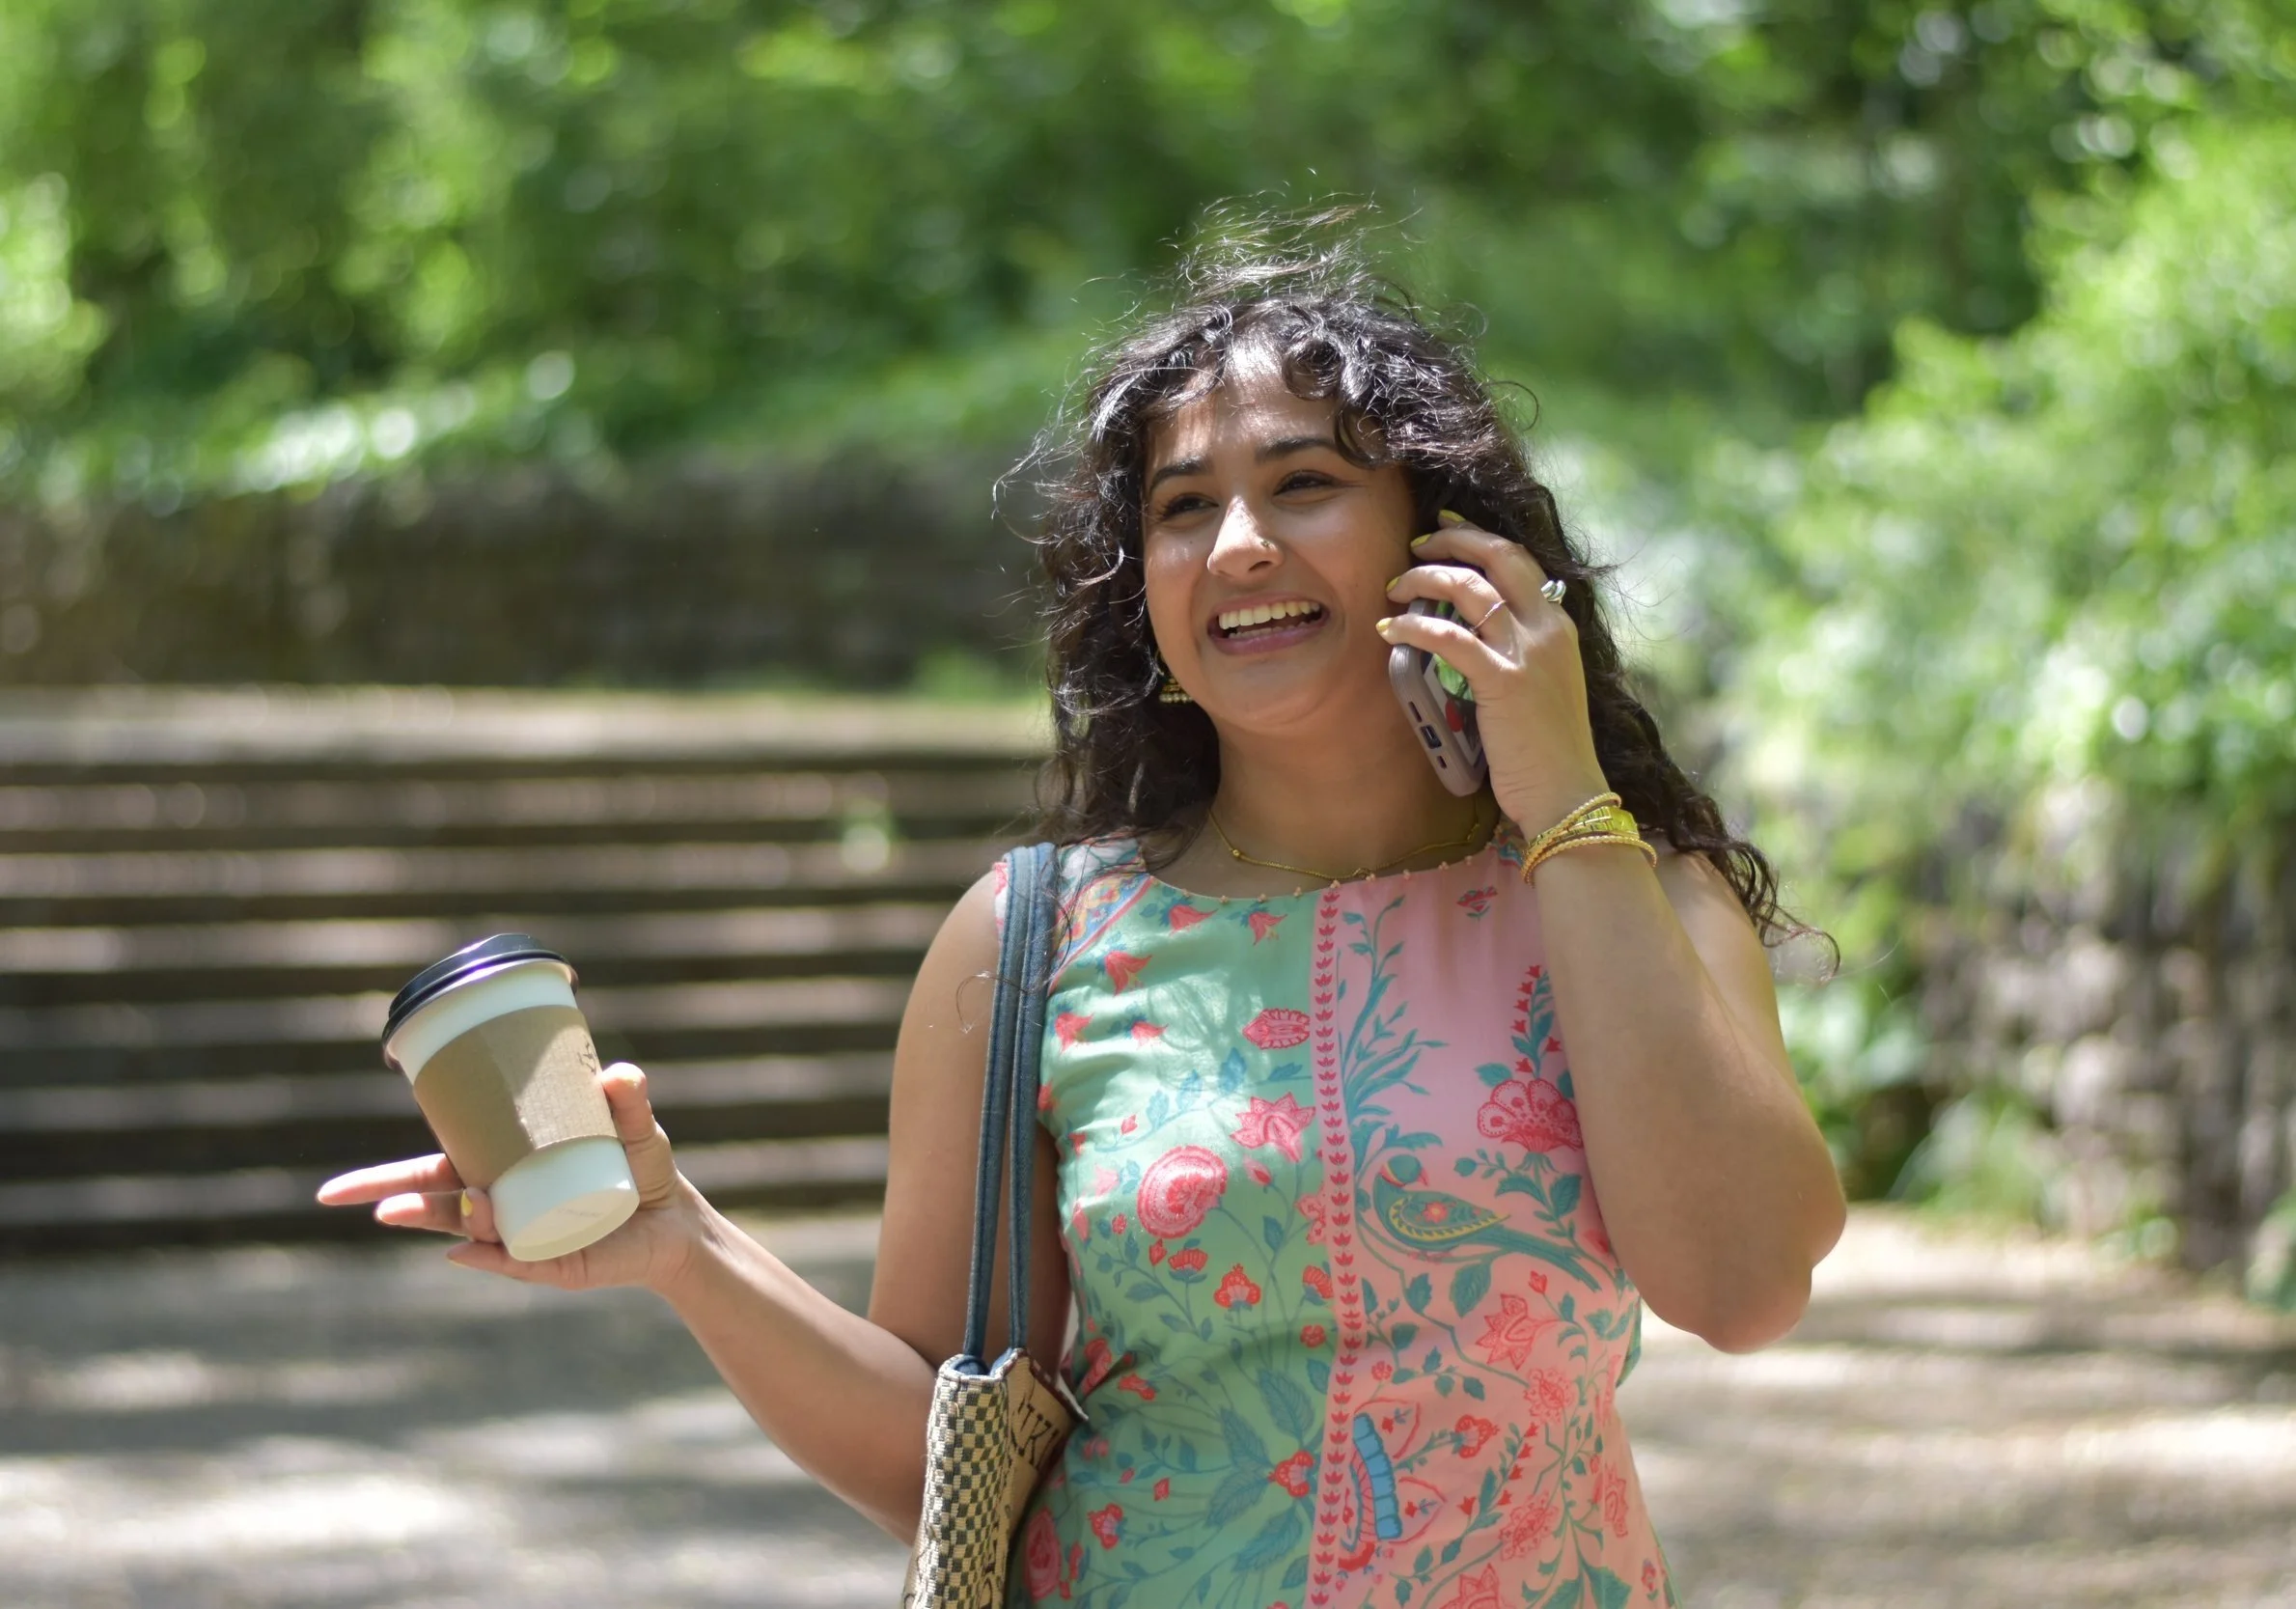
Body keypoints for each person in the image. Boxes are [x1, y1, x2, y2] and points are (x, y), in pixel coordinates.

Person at [319, 222, 1845, 1609]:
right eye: (1183, 509)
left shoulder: (1628, 895)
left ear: (1442, 541)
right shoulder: (1034, 940)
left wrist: (1561, 793)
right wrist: (683, 1245)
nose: (1237, 543)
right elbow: (936, 1456)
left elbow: (1740, 1286)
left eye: (1304, 484)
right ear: (1144, 593)